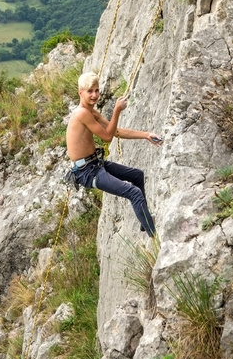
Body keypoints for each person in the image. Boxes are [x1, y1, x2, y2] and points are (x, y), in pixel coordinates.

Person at [66, 71, 162, 236]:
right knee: (134, 192)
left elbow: (115, 131)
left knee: (137, 176)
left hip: (95, 164)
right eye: (90, 91)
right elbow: (107, 137)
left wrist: (146, 135)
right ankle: (153, 235)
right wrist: (117, 110)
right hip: (87, 172)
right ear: (80, 93)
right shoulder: (82, 114)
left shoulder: (91, 113)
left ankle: (144, 222)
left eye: (97, 90)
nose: (94, 95)